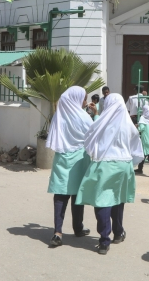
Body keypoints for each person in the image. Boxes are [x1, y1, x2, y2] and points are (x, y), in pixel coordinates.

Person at [76, 93, 144, 255]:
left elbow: (88, 142)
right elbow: (136, 147)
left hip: (104, 165)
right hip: (124, 165)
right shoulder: (128, 124)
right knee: (118, 199)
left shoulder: (101, 122)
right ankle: (118, 232)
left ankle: (104, 239)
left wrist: (97, 154)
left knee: (102, 201)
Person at [46, 86, 92, 247]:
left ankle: (58, 232)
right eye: (84, 98)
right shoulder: (84, 117)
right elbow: (92, 137)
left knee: (60, 194)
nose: (85, 102)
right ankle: (78, 227)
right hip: (80, 159)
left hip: (62, 158)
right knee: (77, 195)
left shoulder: (59, 116)